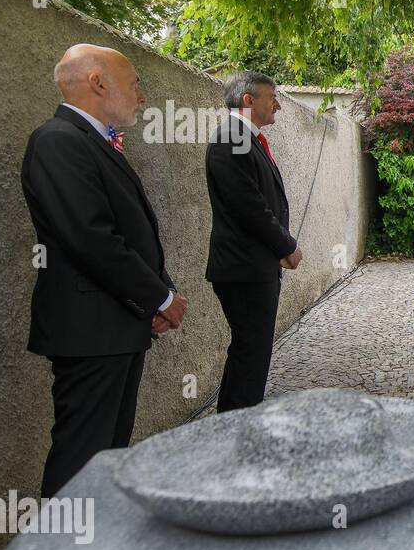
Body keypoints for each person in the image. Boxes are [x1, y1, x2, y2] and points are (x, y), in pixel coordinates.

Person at [21, 44, 187, 496]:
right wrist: (161, 298)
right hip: (90, 332)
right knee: (81, 460)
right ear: (98, 82)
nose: (142, 96)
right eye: (135, 83)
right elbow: (93, 240)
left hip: (115, 326)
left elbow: (127, 234)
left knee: (107, 454)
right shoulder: (58, 140)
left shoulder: (88, 140)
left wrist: (156, 291)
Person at [205, 72, 300, 413]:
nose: (277, 104)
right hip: (243, 268)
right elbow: (250, 208)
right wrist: (286, 246)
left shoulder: (246, 138)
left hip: (252, 266)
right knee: (251, 353)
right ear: (248, 100)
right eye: (271, 97)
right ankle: (238, 430)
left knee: (250, 352)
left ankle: (235, 425)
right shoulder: (232, 139)